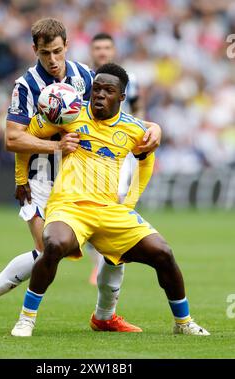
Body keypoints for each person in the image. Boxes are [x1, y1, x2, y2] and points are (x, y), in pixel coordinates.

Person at [0, 18, 161, 333]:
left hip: (88, 178)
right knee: (51, 250)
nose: (53, 60)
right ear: (35, 51)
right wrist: (53, 147)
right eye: (46, 54)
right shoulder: (26, 85)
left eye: (58, 52)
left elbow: (113, 115)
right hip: (42, 180)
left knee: (114, 246)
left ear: (67, 46)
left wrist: (153, 127)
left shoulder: (85, 75)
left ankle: (106, 316)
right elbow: (12, 139)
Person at [11, 63, 210, 338]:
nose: (100, 95)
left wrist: (129, 203)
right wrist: (21, 178)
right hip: (69, 206)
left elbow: (146, 161)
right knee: (54, 245)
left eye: (108, 91)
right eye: (97, 89)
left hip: (109, 210)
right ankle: (26, 319)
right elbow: (24, 139)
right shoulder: (69, 114)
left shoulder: (133, 129)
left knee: (163, 253)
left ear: (122, 97)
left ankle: (183, 322)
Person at [87, 32, 143, 285]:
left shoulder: (129, 79)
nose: (102, 51)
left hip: (121, 148)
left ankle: (106, 261)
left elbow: (138, 107)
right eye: (97, 47)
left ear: (113, 49)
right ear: (92, 50)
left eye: (106, 47)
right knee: (89, 204)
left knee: (117, 200)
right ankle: (99, 260)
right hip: (91, 152)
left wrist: (141, 133)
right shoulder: (85, 78)